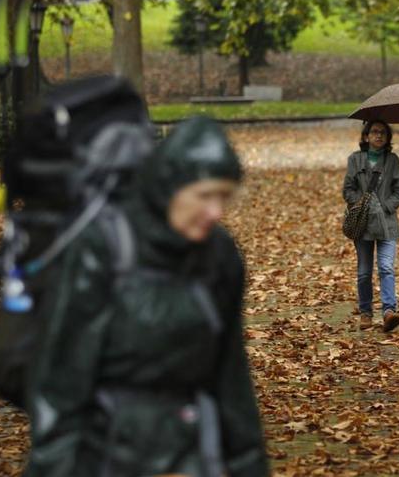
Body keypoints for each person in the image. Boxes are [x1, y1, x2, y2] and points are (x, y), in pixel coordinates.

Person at [25, 117, 269, 477]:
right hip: (107, 451)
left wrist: (249, 463)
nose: (216, 212)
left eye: (224, 196)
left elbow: (230, 373)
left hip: (191, 448)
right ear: (170, 187)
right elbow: (61, 381)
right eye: (204, 196)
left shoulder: (219, 257)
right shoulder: (102, 246)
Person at [343, 120, 399, 332]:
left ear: (388, 138)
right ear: (366, 136)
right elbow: (348, 189)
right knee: (364, 271)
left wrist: (386, 206)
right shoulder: (355, 159)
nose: (378, 135)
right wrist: (359, 202)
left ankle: (389, 311)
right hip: (363, 225)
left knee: (386, 267)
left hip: (387, 224)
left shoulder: (393, 160)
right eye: (374, 132)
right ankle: (366, 312)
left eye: (382, 133)